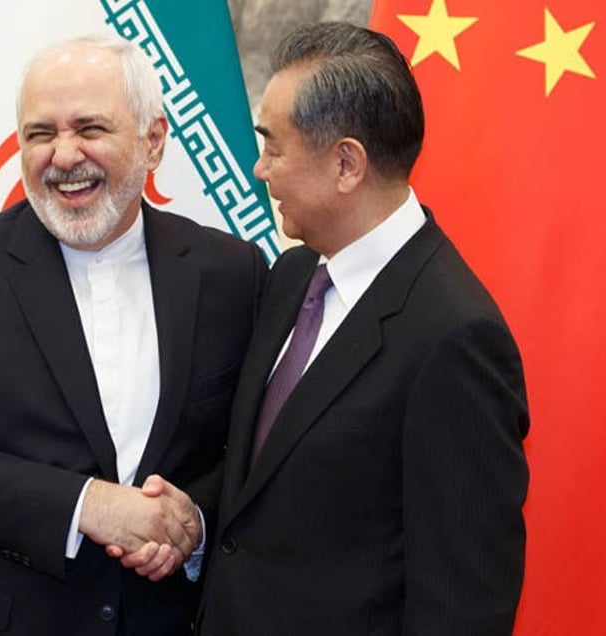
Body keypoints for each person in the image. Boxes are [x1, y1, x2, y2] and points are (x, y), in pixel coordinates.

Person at [0, 34, 266, 635]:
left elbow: (250, 447)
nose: (63, 155)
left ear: (153, 142)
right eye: (40, 134)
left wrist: (193, 521)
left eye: (90, 128)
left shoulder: (233, 273)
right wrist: (91, 505)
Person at [198, 22, 529, 635]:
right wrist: (194, 515)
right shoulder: (294, 274)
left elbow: (463, 606)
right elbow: (278, 480)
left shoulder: (455, 338)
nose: (257, 168)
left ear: (346, 163)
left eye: (273, 146)